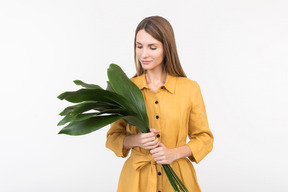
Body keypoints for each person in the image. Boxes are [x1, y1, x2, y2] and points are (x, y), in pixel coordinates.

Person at [106, 16, 214, 192]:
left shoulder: (189, 89)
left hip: (177, 178)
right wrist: (136, 140)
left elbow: (204, 139)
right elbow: (112, 138)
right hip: (136, 181)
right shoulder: (125, 89)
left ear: (167, 48)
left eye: (152, 47)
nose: (144, 54)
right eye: (139, 46)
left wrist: (173, 154)